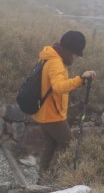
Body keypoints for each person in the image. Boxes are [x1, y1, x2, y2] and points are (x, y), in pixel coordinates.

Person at [31, 31, 96, 176]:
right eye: (75, 54)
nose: (75, 58)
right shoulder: (56, 63)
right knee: (69, 145)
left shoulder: (50, 57)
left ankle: (43, 179)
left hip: (44, 112)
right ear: (68, 50)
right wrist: (80, 79)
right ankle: (55, 179)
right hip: (52, 115)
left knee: (50, 145)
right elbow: (58, 87)